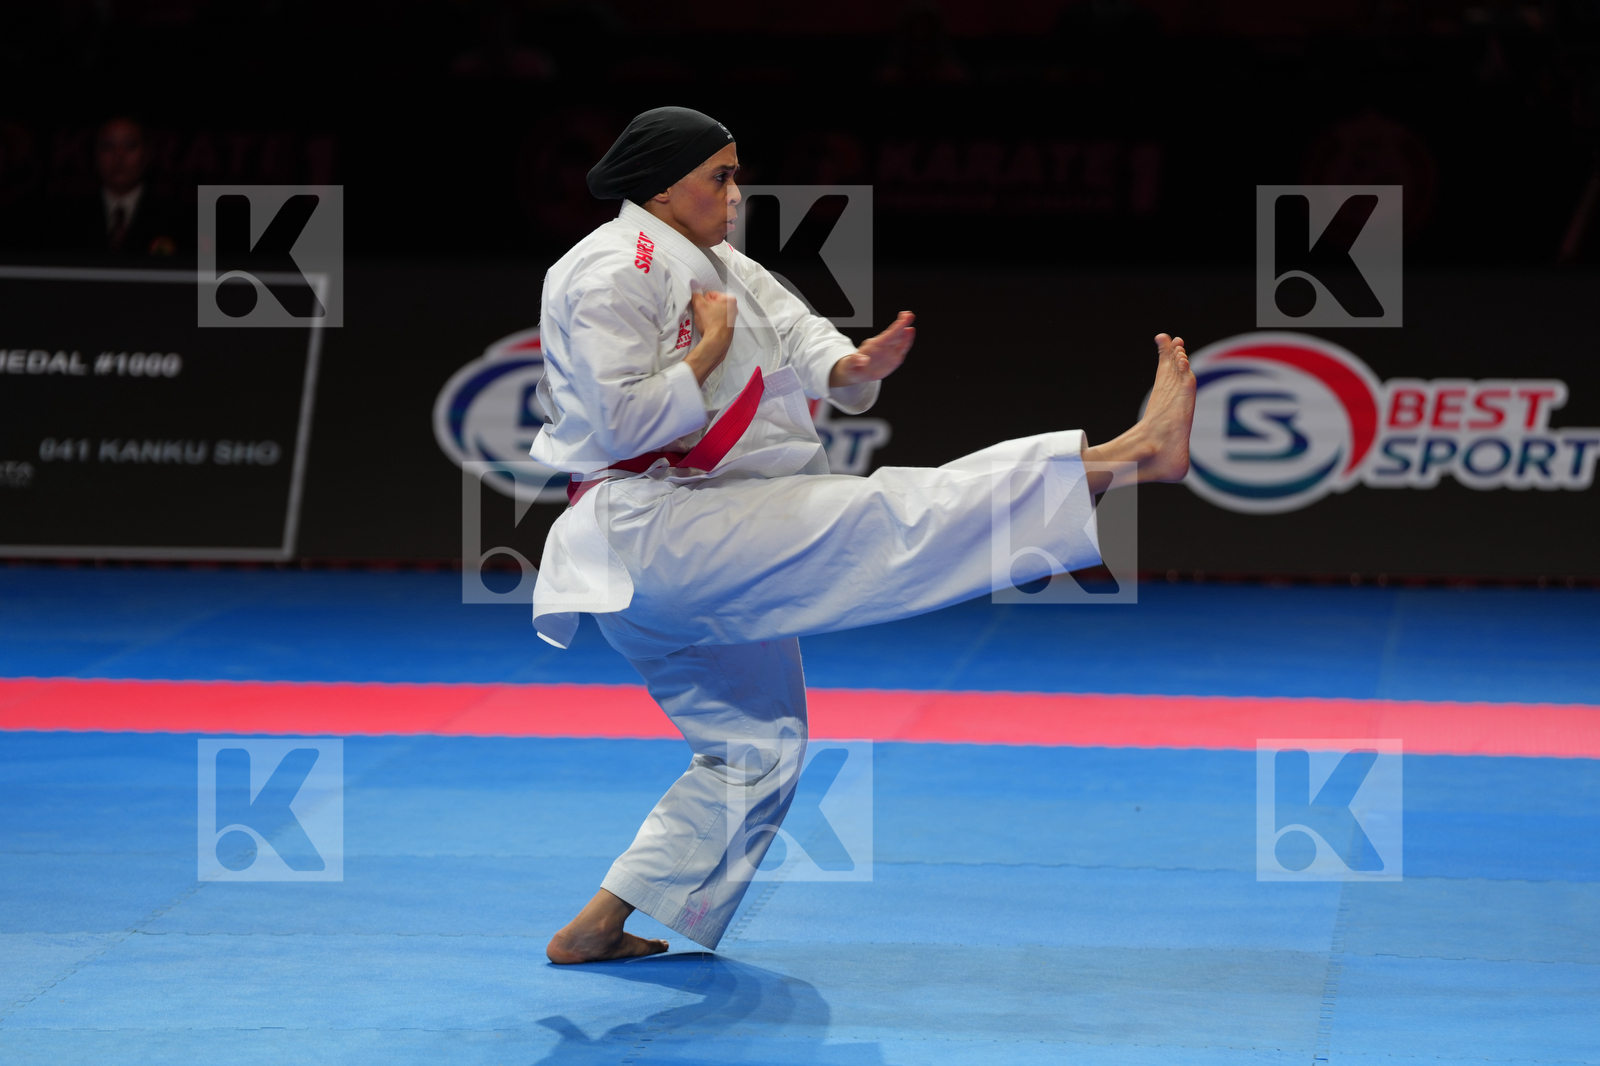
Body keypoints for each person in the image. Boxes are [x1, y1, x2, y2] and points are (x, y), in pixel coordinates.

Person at [532, 106, 1195, 964]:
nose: (736, 194)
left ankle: (596, 925)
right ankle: (1130, 454)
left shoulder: (715, 262)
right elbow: (618, 421)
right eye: (720, 176)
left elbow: (792, 328)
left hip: (677, 547)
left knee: (755, 748)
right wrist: (707, 352)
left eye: (736, 175)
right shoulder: (608, 269)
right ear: (661, 186)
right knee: (890, 516)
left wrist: (848, 365)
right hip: (657, 524)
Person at [57, 117, 183, 256]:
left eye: (130, 146)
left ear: (147, 153)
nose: (118, 156)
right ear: (94, 154)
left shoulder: (178, 218)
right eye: (108, 146)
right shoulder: (66, 218)